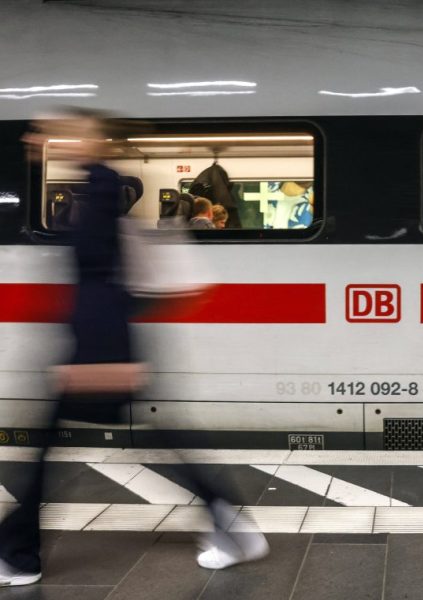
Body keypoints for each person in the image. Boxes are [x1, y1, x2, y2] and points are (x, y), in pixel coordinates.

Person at [0, 111, 268, 587]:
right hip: (102, 344)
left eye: (48, 130)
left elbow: (102, 280)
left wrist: (97, 356)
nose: (33, 137)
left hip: (100, 347)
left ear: (84, 138)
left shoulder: (101, 189)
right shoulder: (97, 186)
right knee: (157, 438)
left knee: (50, 452)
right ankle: (228, 523)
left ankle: (19, 556)